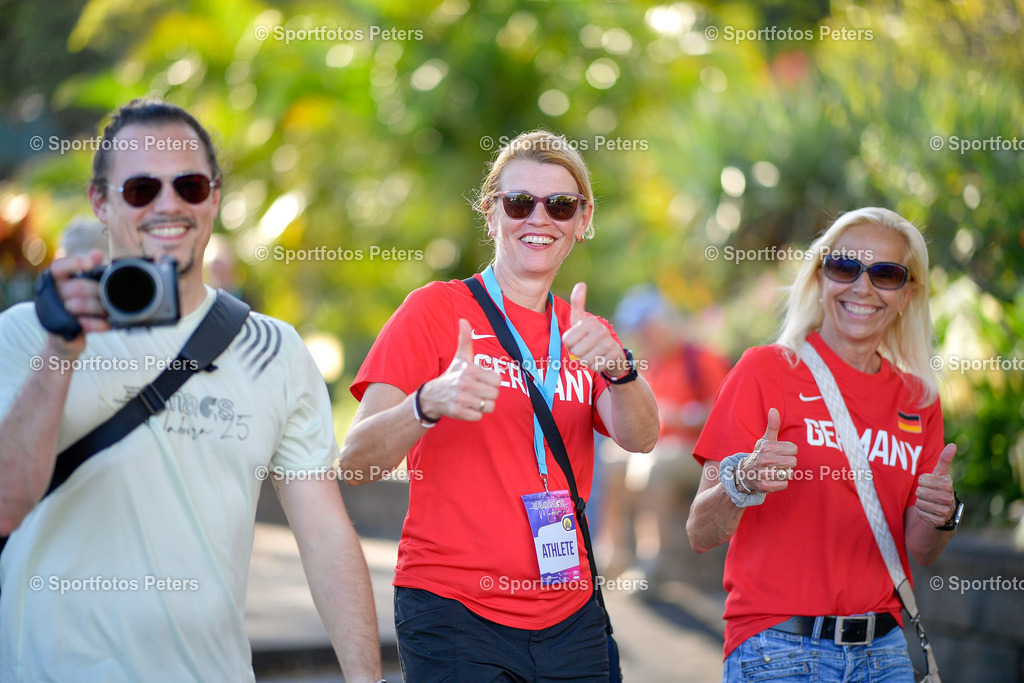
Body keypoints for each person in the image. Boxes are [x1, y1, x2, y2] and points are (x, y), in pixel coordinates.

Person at [0, 98, 383, 683]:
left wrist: (367, 680)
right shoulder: (27, 334)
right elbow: (7, 502)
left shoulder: (274, 350)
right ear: (100, 202)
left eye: (190, 185)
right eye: (141, 190)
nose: (169, 204)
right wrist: (60, 351)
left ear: (215, 197)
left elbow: (326, 534)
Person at [340, 130, 659, 682]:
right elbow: (356, 463)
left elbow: (641, 437)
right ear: (491, 214)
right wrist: (426, 403)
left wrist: (620, 369)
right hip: (454, 612)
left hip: (571, 613)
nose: (540, 219)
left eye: (560, 205)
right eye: (519, 203)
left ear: (581, 221)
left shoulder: (588, 333)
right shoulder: (434, 311)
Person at [686, 207, 961, 681]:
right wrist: (743, 480)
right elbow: (699, 531)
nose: (862, 287)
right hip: (779, 649)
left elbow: (922, 548)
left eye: (886, 274)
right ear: (819, 276)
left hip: (885, 652)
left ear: (908, 293)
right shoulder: (764, 371)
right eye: (844, 267)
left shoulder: (919, 401)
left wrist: (942, 514)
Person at [601, 286, 730, 584]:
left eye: (648, 328)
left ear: (664, 323)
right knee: (612, 458)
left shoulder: (700, 359)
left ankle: (653, 564)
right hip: (662, 447)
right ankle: (614, 553)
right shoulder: (652, 364)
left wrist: (682, 416)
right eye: (640, 331)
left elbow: (725, 415)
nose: (644, 336)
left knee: (655, 466)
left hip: (700, 454)